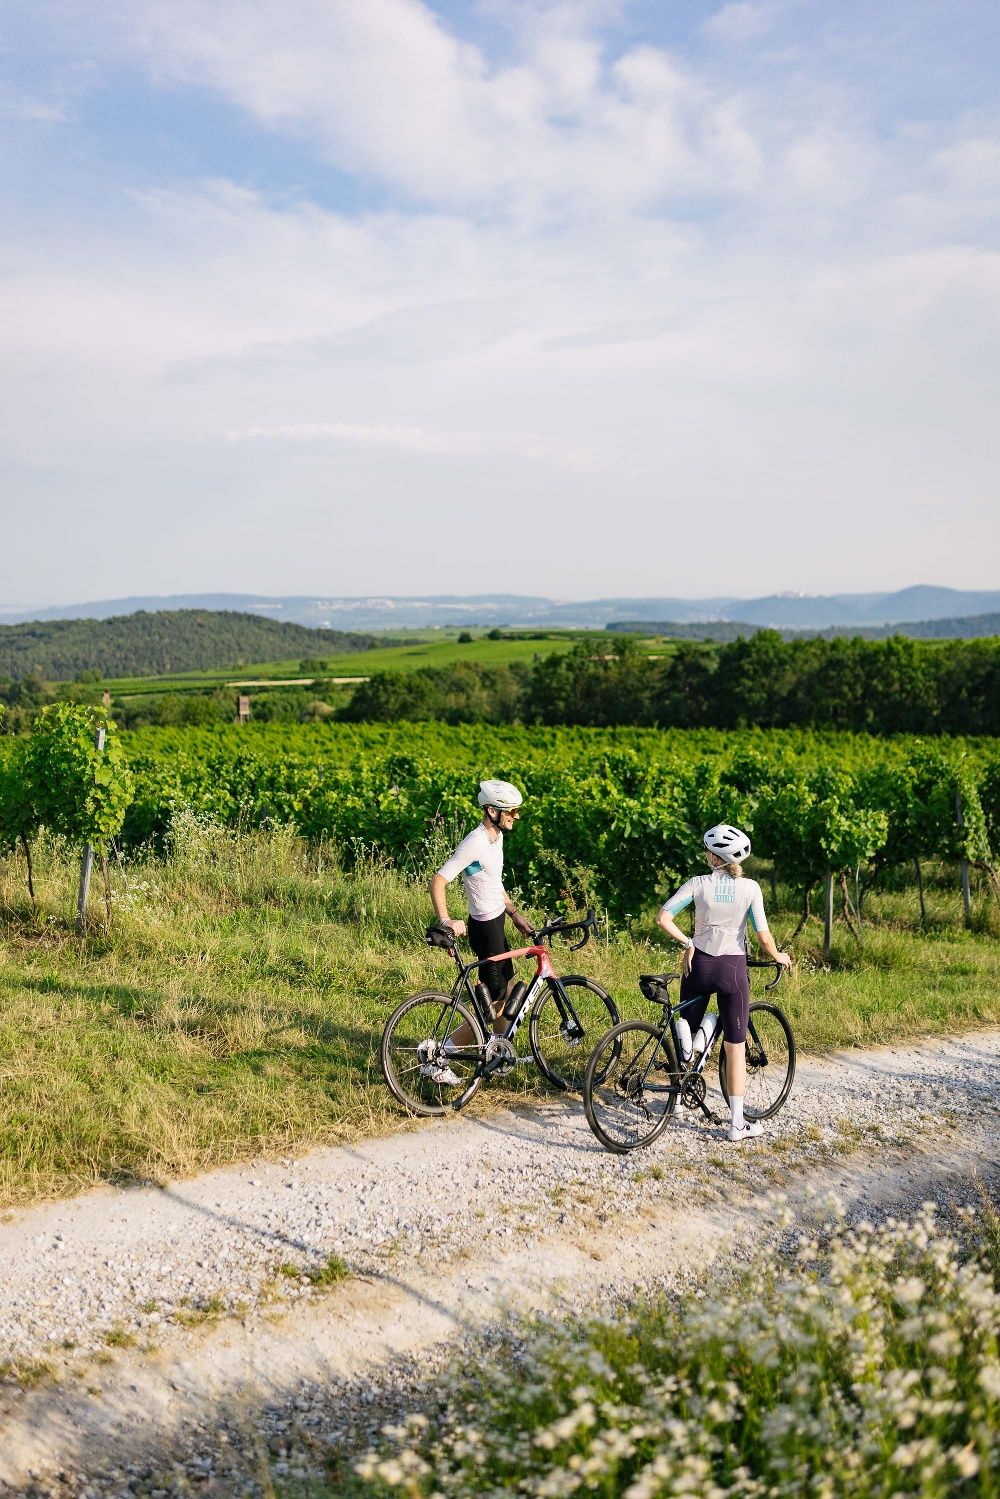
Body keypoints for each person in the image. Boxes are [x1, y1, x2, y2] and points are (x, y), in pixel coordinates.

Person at [656, 823, 792, 1142]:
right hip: (732, 969)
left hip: (698, 965)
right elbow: (763, 935)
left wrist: (688, 942)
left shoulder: (697, 884)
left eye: (707, 851)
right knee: (735, 1047)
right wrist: (778, 956)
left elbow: (663, 918)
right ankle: (737, 1124)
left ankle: (679, 1100)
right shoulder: (751, 888)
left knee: (686, 1031)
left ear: (715, 858)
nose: (705, 855)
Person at [424, 779, 535, 1084]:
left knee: (508, 990)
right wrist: (446, 921)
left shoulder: (496, 838)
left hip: (497, 923)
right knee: (495, 1005)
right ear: (491, 811)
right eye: (510, 811)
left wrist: (514, 913)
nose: (515, 816)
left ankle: (498, 1053)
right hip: (485, 929)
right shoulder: (474, 842)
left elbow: (493, 882)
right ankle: (440, 1054)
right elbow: (438, 881)